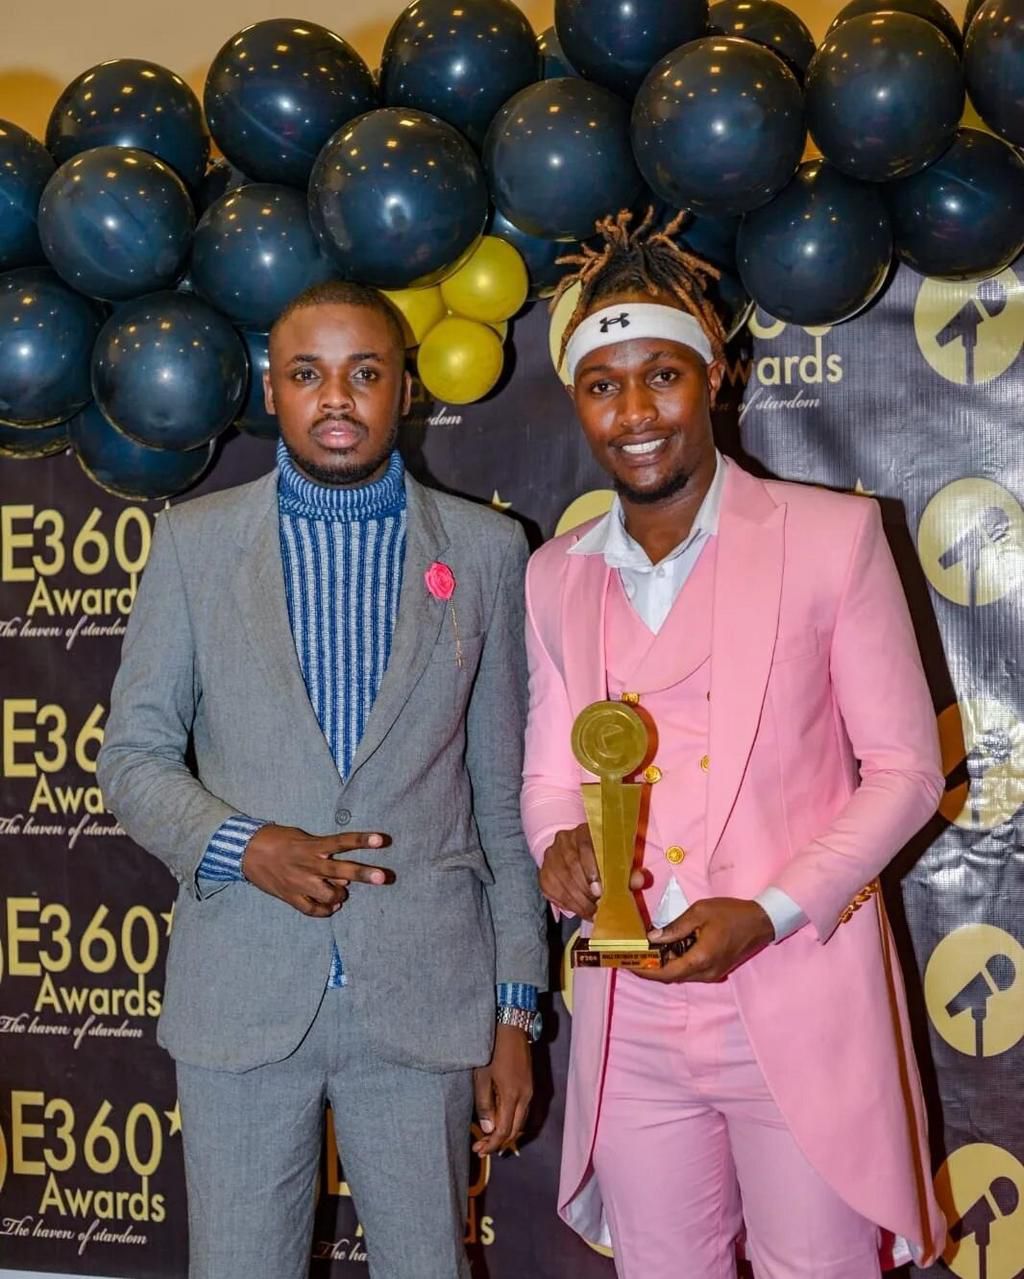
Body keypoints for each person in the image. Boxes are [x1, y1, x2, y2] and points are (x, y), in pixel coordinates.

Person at [521, 210, 947, 1278]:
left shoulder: (831, 537)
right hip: (630, 1016)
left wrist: (768, 911)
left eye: (660, 376)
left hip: (795, 989)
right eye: (603, 385)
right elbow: (549, 775)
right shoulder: (556, 573)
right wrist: (557, 847)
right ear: (577, 400)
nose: (634, 413)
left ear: (713, 376)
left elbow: (906, 771)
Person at [98, 279, 547, 1279]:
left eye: (363, 372)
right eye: (307, 373)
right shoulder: (194, 544)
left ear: (404, 390)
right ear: (272, 389)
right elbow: (130, 756)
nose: (336, 397)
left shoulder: (486, 552)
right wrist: (243, 845)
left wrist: (515, 1010)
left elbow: (504, 801)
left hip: (425, 996)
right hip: (243, 990)